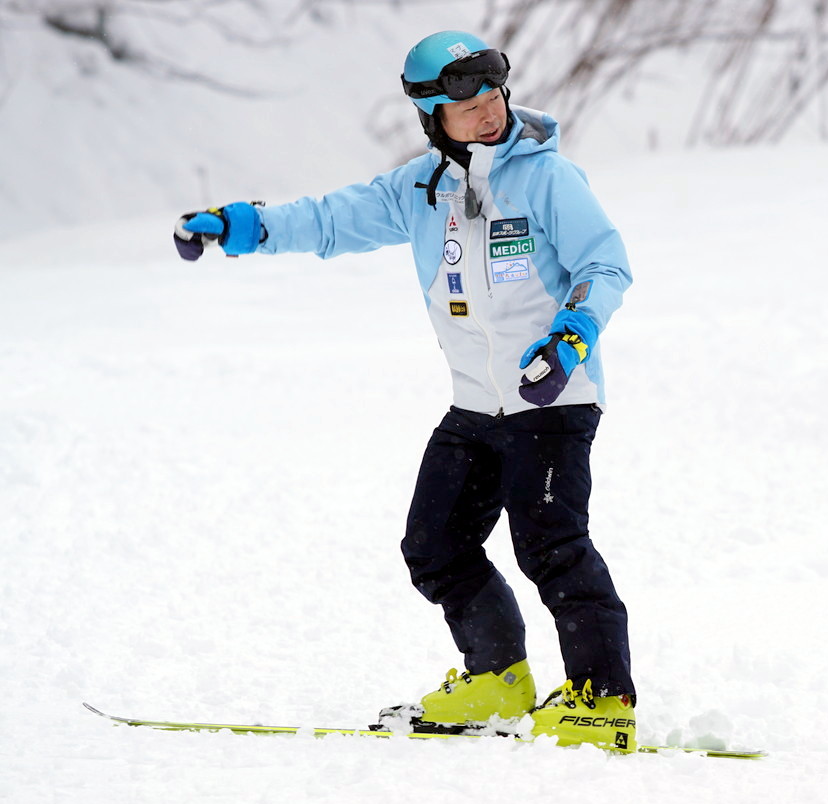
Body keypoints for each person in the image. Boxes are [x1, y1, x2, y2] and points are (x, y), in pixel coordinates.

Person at [172, 30, 639, 752]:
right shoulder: (422, 190)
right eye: (469, 107)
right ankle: (497, 678)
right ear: (432, 116)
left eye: (494, 98)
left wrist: (573, 332)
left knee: (551, 544)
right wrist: (246, 226)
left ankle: (603, 698)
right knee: (435, 542)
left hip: (553, 395)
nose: (489, 115)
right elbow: (330, 220)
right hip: (476, 403)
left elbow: (604, 263)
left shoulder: (547, 178)